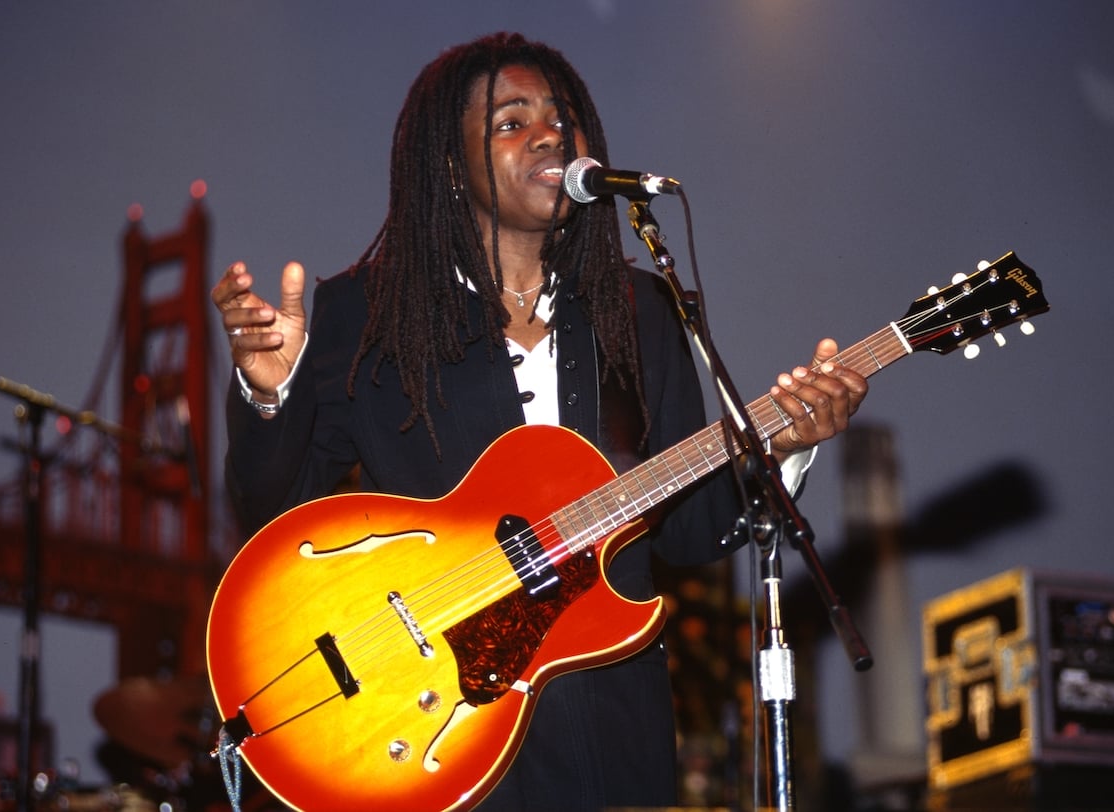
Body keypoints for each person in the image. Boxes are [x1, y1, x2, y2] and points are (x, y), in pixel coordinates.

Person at [210, 31, 868, 812]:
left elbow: (689, 533)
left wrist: (784, 448)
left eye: (562, 118)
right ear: (451, 168)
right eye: (511, 122)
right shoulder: (369, 313)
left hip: (612, 734)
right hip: (437, 729)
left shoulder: (640, 314)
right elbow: (272, 514)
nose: (550, 134)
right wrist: (270, 396)